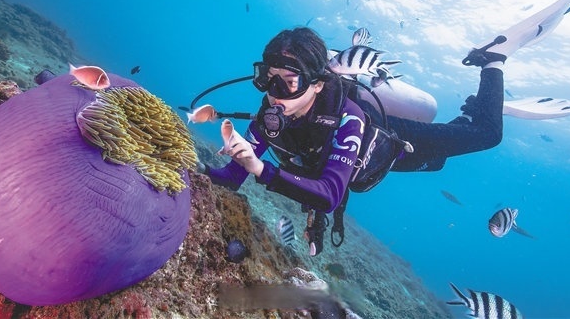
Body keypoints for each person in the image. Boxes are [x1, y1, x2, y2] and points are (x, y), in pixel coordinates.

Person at [205, 26, 507, 256]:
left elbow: (329, 194)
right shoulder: (271, 112)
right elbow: (232, 176)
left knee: (483, 135)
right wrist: (198, 174)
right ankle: (468, 112)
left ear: (318, 84)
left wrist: (261, 169)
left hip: (396, 147)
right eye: (267, 78)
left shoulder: (350, 118)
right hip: (346, 166)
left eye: (289, 81)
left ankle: (491, 62)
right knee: (438, 160)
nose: (274, 93)